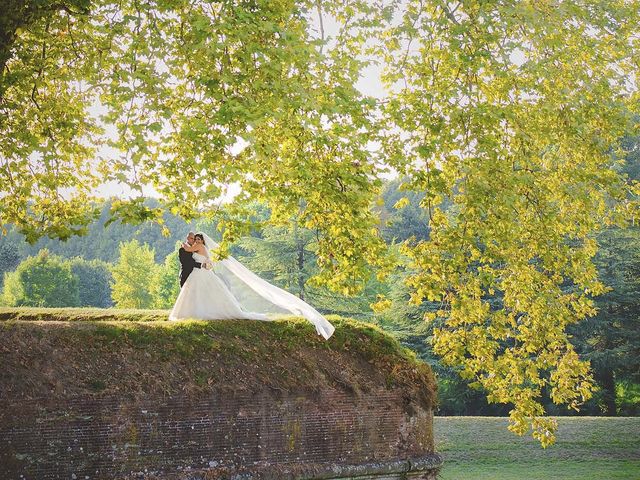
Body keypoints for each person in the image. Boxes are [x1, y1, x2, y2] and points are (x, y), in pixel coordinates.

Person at [169, 232, 335, 340]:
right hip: (201, 274)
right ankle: (198, 311)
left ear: (202, 241)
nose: (196, 241)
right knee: (199, 294)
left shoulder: (197, 247)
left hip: (201, 275)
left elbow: (186, 249)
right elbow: (208, 263)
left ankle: (196, 312)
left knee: (198, 293)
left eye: (198, 239)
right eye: (195, 239)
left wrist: (187, 242)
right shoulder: (202, 249)